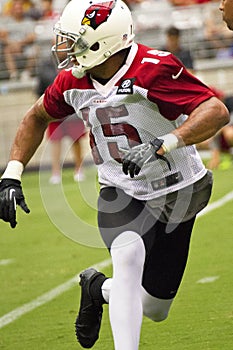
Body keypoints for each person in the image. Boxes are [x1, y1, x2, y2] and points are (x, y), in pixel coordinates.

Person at [0, 1, 229, 349]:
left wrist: (165, 142)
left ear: (102, 42)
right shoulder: (71, 82)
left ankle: (97, 288)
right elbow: (35, 117)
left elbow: (215, 110)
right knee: (127, 257)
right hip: (120, 187)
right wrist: (12, 174)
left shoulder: (153, 69)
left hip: (178, 190)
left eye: (75, 41)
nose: (66, 49)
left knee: (154, 307)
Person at [36, 54, 86, 184]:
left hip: (73, 111)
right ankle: (56, 172)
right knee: (55, 142)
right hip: (55, 112)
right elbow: (41, 87)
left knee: (76, 141)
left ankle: (79, 169)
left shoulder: (77, 60)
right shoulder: (47, 64)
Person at [0, 0, 37, 80]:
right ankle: (13, 74)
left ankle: (27, 73)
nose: (18, 11)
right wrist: (12, 44)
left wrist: (20, 44)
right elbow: (2, 35)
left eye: (20, 8)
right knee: (7, 50)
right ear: (12, 9)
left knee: (35, 49)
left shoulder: (28, 21)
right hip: (10, 46)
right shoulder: (7, 21)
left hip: (25, 46)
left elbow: (32, 36)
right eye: (16, 9)